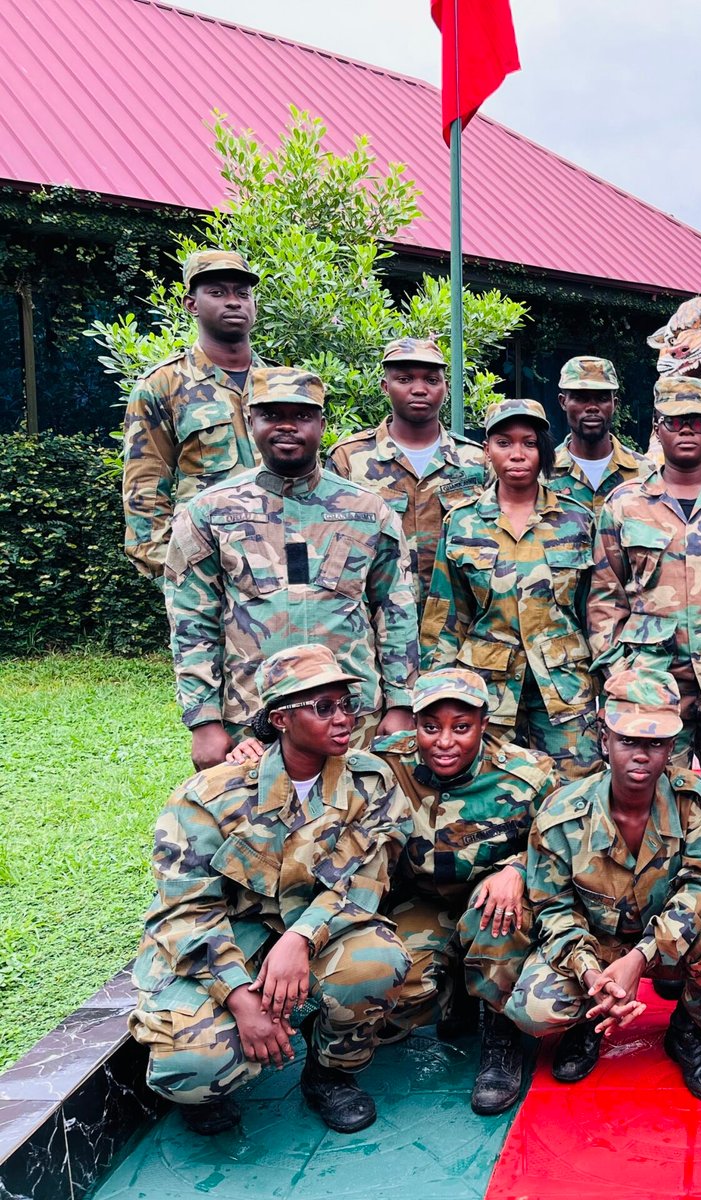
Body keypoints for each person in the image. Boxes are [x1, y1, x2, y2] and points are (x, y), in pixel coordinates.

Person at [128, 644, 411, 1136]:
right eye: (323, 707)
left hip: (311, 935)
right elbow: (184, 911)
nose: (343, 718)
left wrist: (300, 938)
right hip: (225, 945)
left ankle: (329, 1074)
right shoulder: (209, 798)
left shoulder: (370, 781)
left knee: (378, 961)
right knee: (191, 1071)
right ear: (280, 719)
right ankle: (212, 1085)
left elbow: (364, 877)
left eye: (347, 703)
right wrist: (240, 997)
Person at [474, 668, 701, 1103]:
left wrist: (641, 957)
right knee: (534, 1009)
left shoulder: (694, 801)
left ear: (671, 747)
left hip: (667, 944)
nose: (641, 755)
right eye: (628, 740)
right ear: (605, 740)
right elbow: (554, 909)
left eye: (655, 743)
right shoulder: (563, 813)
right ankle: (590, 1020)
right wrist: (590, 972)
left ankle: (691, 1033)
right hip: (596, 945)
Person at [165, 367, 418, 770]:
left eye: (301, 415)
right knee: (259, 809)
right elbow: (192, 619)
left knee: (356, 808)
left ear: (322, 424)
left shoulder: (368, 511)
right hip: (253, 719)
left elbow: (396, 610)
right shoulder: (211, 511)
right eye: (271, 415)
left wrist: (401, 703)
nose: (287, 426)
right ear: (250, 421)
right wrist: (204, 720)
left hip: (351, 718)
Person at [370, 668, 554, 1116]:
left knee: (497, 915)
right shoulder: (386, 763)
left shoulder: (527, 775)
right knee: (393, 995)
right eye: (431, 727)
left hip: (496, 904)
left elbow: (565, 842)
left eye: (462, 727)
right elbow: (321, 767)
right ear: (415, 725)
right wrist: (254, 746)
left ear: (484, 724)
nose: (445, 742)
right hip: (425, 901)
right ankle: (457, 996)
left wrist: (517, 867)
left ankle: (501, 1036)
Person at [589, 377, 701, 812]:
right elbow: (605, 598)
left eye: (698, 422)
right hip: (651, 684)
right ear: (657, 428)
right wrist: (619, 674)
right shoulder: (625, 504)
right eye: (675, 422)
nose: (687, 430)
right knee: (660, 806)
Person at [423, 398, 601, 783]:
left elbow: (596, 611)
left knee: (576, 792)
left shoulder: (578, 519)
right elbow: (445, 616)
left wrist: (608, 685)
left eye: (529, 443)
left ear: (543, 450)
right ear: (487, 450)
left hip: (565, 689)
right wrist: (436, 691)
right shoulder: (463, 522)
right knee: (493, 793)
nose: (517, 454)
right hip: (487, 690)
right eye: (504, 443)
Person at [122, 249, 264, 579]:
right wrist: (172, 576)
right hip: (205, 573)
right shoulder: (163, 385)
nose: (234, 302)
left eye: (242, 293)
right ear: (191, 304)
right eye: (217, 292)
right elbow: (145, 491)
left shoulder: (279, 384)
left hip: (285, 568)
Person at [327, 337, 487, 602]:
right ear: (385, 386)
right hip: (379, 613)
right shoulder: (349, 458)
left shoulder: (476, 460)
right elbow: (330, 548)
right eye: (404, 379)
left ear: (446, 388)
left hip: (457, 616)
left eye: (431, 380)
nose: (419, 389)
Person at [546, 355, 657, 510]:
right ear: (563, 402)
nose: (592, 407)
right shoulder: (542, 473)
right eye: (581, 398)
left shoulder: (646, 472)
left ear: (614, 404)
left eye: (602, 398)